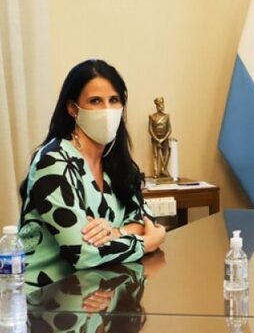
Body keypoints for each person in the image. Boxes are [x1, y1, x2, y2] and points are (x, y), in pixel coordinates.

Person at [18, 59, 166, 289]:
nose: (107, 109)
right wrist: (146, 243)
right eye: (95, 101)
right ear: (72, 108)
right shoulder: (54, 161)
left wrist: (114, 232)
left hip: (96, 289)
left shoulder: (116, 161)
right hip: (44, 296)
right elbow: (84, 253)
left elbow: (145, 219)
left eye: (114, 100)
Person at [148, 96, 172, 178]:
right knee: (156, 155)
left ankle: (163, 169)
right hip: (155, 139)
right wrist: (157, 139)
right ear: (157, 106)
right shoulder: (152, 116)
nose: (161, 106)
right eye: (159, 104)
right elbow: (150, 129)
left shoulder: (167, 116)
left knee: (165, 154)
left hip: (164, 139)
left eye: (162, 104)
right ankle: (156, 171)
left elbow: (169, 129)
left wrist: (163, 139)